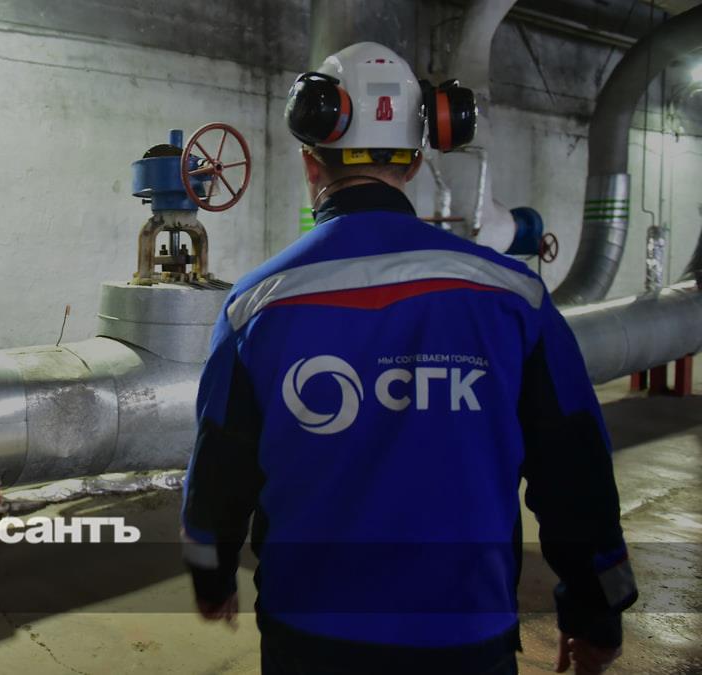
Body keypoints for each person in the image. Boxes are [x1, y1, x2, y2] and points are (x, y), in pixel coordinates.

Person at [180, 41, 637, 675]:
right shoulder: (514, 297)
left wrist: (211, 572)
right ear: (416, 163)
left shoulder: (257, 305)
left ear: (311, 165)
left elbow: (220, 464)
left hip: (309, 634)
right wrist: (597, 610)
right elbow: (575, 468)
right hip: (467, 635)